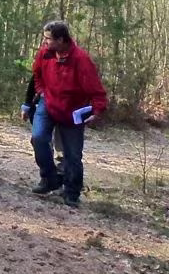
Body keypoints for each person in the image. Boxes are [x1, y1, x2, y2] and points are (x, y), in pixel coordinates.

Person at [23, 20, 108, 209]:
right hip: (48, 103)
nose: (44, 42)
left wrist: (97, 110)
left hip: (72, 110)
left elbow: (96, 90)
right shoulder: (44, 54)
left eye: (48, 39)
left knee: (72, 155)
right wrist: (40, 91)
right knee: (38, 138)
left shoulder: (81, 60)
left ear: (61, 40)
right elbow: (37, 75)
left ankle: (71, 192)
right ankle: (49, 179)